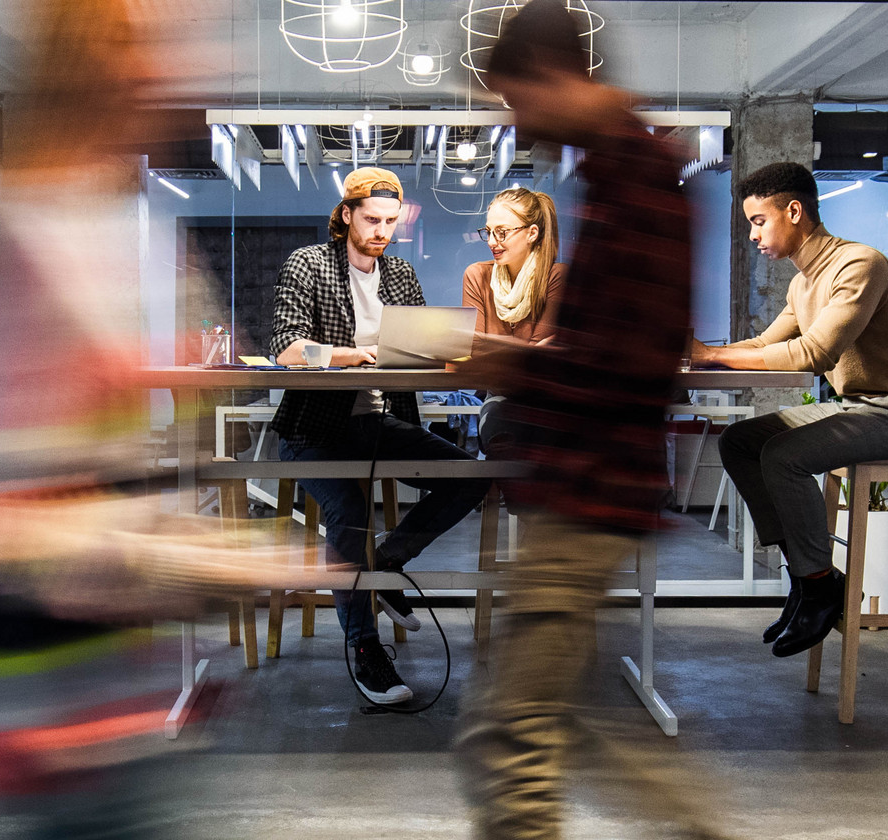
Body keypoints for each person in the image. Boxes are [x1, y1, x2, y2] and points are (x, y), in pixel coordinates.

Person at [454, 3, 728, 837]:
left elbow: (630, 366)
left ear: (553, 75)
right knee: (532, 725)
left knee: (508, 739)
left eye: (515, 99)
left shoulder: (639, 182)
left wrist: (516, 368)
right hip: (583, 484)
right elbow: (617, 353)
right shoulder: (619, 175)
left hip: (590, 488)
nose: (516, 120)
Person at [692, 162, 888, 658]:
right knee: (741, 441)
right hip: (862, 407)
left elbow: (814, 354)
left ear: (793, 211)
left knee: (783, 456)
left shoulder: (860, 264)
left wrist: (710, 356)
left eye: (757, 221)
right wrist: (698, 352)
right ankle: (807, 575)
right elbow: (764, 344)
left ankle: (817, 585)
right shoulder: (802, 283)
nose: (753, 235)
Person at [269, 167, 491, 706]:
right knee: (349, 516)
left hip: (378, 422)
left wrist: (444, 354)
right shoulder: (309, 264)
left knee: (470, 476)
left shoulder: (400, 275)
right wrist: (351, 354)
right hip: (312, 429)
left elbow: (412, 351)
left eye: (391, 221)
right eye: (371, 219)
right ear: (346, 215)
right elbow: (286, 348)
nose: (382, 231)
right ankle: (365, 650)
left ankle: (386, 564)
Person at [463, 186, 566, 346]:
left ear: (532, 233)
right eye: (489, 232)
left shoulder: (555, 276)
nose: (491, 241)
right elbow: (472, 349)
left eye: (502, 232)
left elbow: (535, 359)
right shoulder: (477, 275)